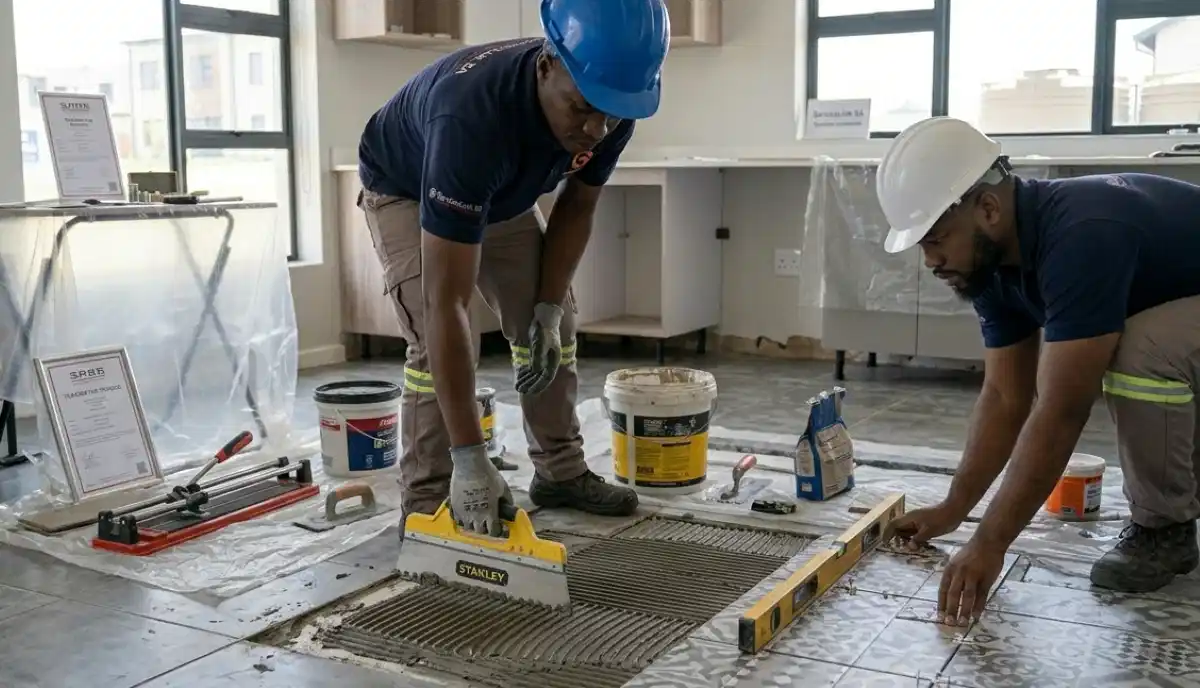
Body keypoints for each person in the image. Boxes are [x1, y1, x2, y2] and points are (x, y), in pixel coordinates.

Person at [354, 0, 670, 537]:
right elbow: (446, 303)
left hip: (499, 192)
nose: (596, 129)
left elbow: (577, 205)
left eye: (611, 115)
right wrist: (472, 457)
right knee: (436, 346)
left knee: (555, 325)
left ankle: (560, 471)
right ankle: (431, 497)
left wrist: (546, 309)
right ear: (547, 65)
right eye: (582, 109)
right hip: (409, 188)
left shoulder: (613, 96)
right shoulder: (470, 117)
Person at [875, 116, 1200, 623]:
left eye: (936, 238)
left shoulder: (1079, 236)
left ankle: (1166, 531)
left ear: (987, 208)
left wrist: (990, 542)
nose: (931, 260)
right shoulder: (993, 263)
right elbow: (1007, 396)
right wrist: (954, 508)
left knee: (1142, 352)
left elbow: (1062, 408)